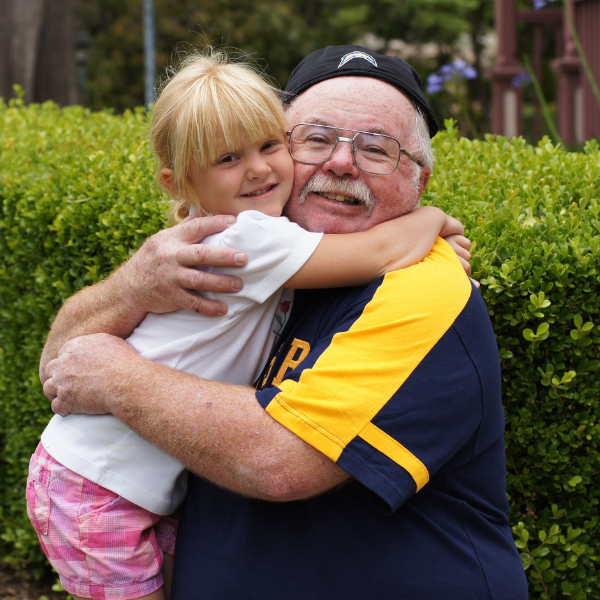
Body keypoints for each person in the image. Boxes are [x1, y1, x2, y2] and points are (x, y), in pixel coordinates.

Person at [41, 46, 528, 599]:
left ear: (420, 180)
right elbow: (59, 366)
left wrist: (113, 375)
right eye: (315, 140)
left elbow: (281, 463)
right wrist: (129, 286)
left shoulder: (421, 290)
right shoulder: (242, 255)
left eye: (376, 149)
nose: (341, 164)